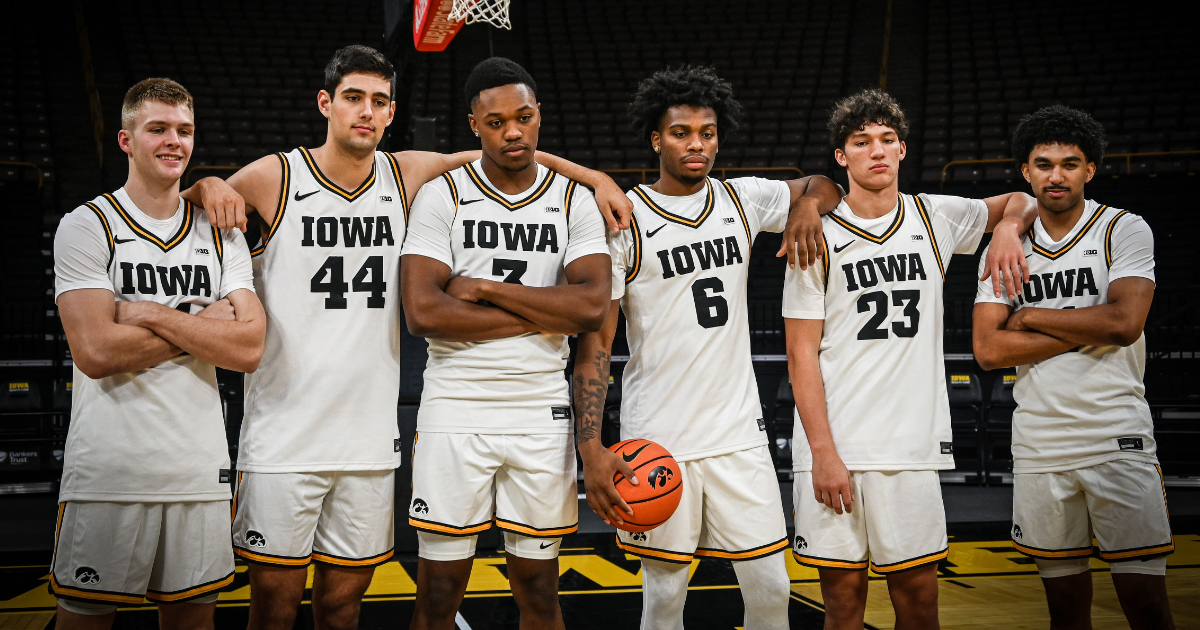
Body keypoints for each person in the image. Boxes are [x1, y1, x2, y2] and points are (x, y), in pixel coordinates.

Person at [183, 46, 631, 630]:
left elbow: (507, 145)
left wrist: (594, 177)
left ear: (392, 111)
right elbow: (185, 211)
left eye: (378, 101)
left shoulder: (404, 173)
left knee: (342, 607)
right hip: (284, 431)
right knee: (272, 608)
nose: (365, 112)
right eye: (353, 98)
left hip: (369, 437)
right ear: (325, 103)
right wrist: (206, 183)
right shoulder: (276, 176)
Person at [574, 65, 845, 630]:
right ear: (656, 140)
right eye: (681, 133)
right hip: (658, 437)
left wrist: (805, 206)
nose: (696, 144)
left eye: (707, 133)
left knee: (771, 587)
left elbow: (825, 184)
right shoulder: (625, 218)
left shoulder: (743, 199)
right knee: (664, 595)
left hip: (737, 437)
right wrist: (591, 445)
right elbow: (597, 341)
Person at [782, 89, 1035, 630]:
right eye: (861, 141)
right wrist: (823, 453)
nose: (876, 150)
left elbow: (1021, 199)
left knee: (919, 605)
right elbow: (801, 353)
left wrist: (1008, 229)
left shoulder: (934, 215)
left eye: (887, 139)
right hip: (835, 447)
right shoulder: (815, 233)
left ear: (902, 149)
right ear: (841, 156)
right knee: (842, 606)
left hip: (910, 449)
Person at [400, 57, 613, 630]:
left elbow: (592, 306)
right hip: (455, 407)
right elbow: (423, 312)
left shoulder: (574, 200)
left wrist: (486, 290)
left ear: (539, 115)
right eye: (495, 123)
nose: (512, 132)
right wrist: (547, 314)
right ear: (474, 125)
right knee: (437, 595)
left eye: (523, 118)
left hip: (540, 412)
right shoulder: (442, 196)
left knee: (540, 593)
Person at [50, 78, 265, 630]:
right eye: (158, 129)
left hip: (199, 470)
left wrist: (149, 313)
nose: (174, 141)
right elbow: (96, 351)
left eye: (184, 131)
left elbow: (249, 347)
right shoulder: (87, 225)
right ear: (126, 140)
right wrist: (203, 324)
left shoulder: (222, 233)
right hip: (109, 473)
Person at [973, 105, 1174, 630]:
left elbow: (1124, 323)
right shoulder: (1006, 248)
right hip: (1039, 443)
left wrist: (1029, 317)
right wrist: (1084, 324)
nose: (1056, 176)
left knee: (1146, 604)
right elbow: (989, 350)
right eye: (1044, 164)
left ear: (1090, 169)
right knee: (1063, 609)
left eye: (1070, 164)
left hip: (1115, 435)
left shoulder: (1123, 229)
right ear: (1026, 172)